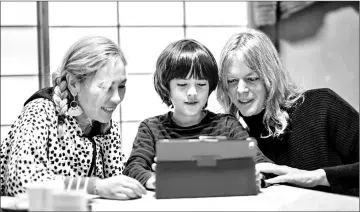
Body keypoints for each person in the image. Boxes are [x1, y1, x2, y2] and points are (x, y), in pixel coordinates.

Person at [0, 36, 146, 200]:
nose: (117, 98)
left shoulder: (105, 122)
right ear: (74, 83)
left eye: (121, 86)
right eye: (106, 87)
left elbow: (116, 182)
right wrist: (94, 186)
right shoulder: (40, 111)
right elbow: (21, 184)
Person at [216, 28, 359, 196]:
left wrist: (316, 176)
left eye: (252, 78)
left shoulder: (322, 106)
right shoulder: (238, 136)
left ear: (271, 76)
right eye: (232, 81)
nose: (240, 90)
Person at [123, 38, 271, 191]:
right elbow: (133, 168)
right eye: (182, 85)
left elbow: (261, 163)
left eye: (201, 84)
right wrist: (152, 180)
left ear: (210, 88)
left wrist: (255, 174)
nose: (193, 93)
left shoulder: (227, 125)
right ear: (167, 88)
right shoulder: (151, 129)